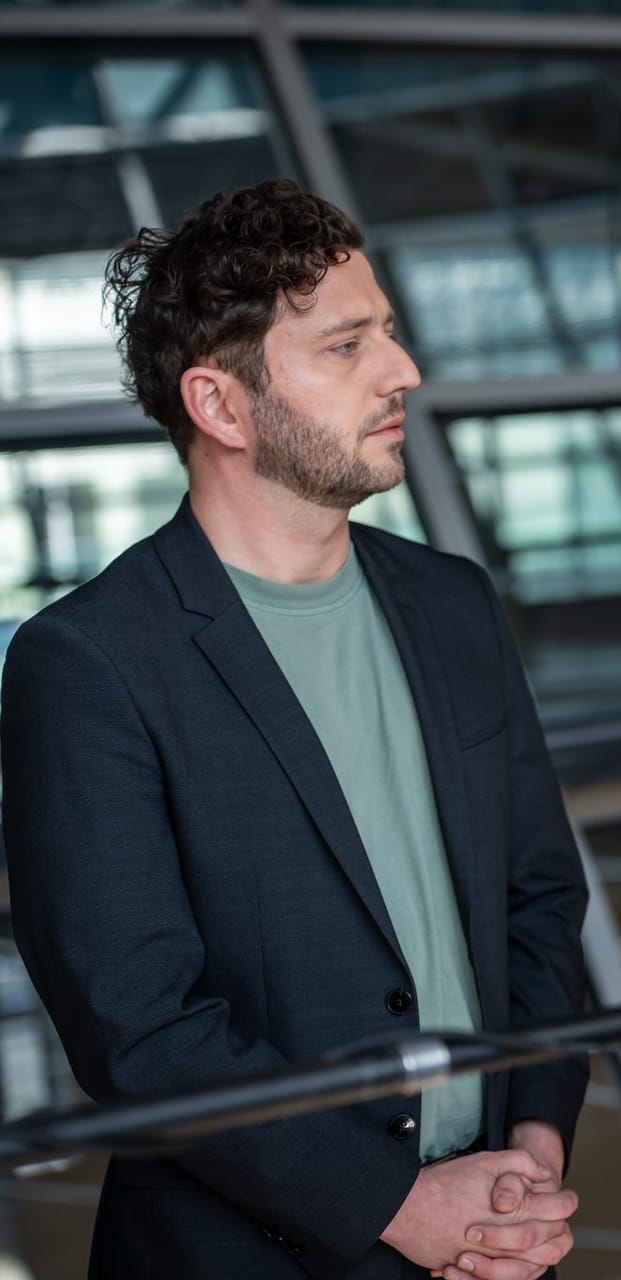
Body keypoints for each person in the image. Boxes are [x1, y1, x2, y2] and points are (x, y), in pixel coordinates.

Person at [1, 180, 591, 1279]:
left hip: (504, 1233)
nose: (402, 370)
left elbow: (541, 904)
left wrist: (533, 1139)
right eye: (346, 345)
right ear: (222, 406)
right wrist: (394, 1201)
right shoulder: (88, 663)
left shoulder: (454, 605)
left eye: (392, 332)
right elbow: (141, 1028)